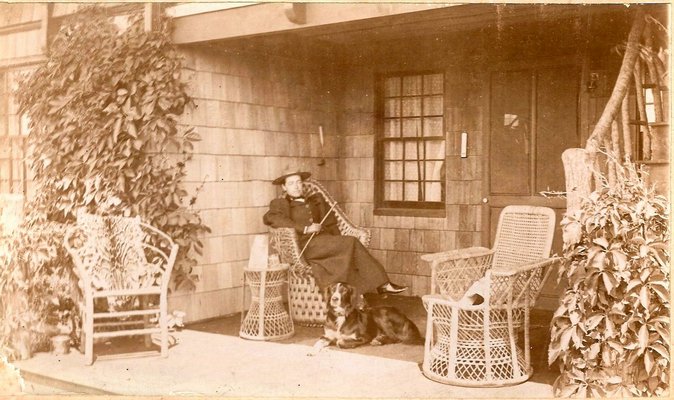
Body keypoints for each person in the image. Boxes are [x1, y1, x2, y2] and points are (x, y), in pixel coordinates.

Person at [263, 170, 407, 295]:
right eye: (291, 183)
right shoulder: (280, 203)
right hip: (306, 246)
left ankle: (360, 296)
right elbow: (271, 218)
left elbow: (330, 222)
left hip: (325, 243)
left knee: (347, 248)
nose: (296, 186)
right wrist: (306, 228)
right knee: (351, 242)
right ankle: (382, 284)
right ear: (284, 187)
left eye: (299, 182)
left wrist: (336, 240)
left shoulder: (315, 200)